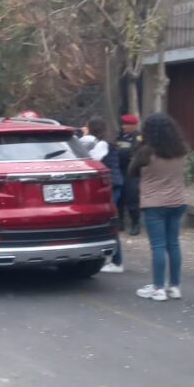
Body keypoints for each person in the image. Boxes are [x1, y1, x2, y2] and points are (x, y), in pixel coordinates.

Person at [129, 113, 188, 302]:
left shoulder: (146, 152)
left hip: (153, 203)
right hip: (177, 201)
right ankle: (175, 286)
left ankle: (158, 288)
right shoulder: (181, 149)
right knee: (173, 245)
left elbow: (132, 171)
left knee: (158, 246)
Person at [80, 117, 125, 273]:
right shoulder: (105, 142)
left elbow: (93, 160)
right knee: (110, 222)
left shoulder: (102, 143)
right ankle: (116, 259)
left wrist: (85, 140)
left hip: (111, 185)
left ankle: (117, 261)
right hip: (113, 184)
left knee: (110, 222)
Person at [117, 113, 142, 235]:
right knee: (119, 198)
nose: (123, 126)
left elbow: (135, 154)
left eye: (126, 124)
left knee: (132, 199)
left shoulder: (138, 138)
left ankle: (135, 223)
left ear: (134, 125)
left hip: (131, 172)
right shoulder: (120, 137)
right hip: (119, 170)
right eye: (123, 124)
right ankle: (120, 222)